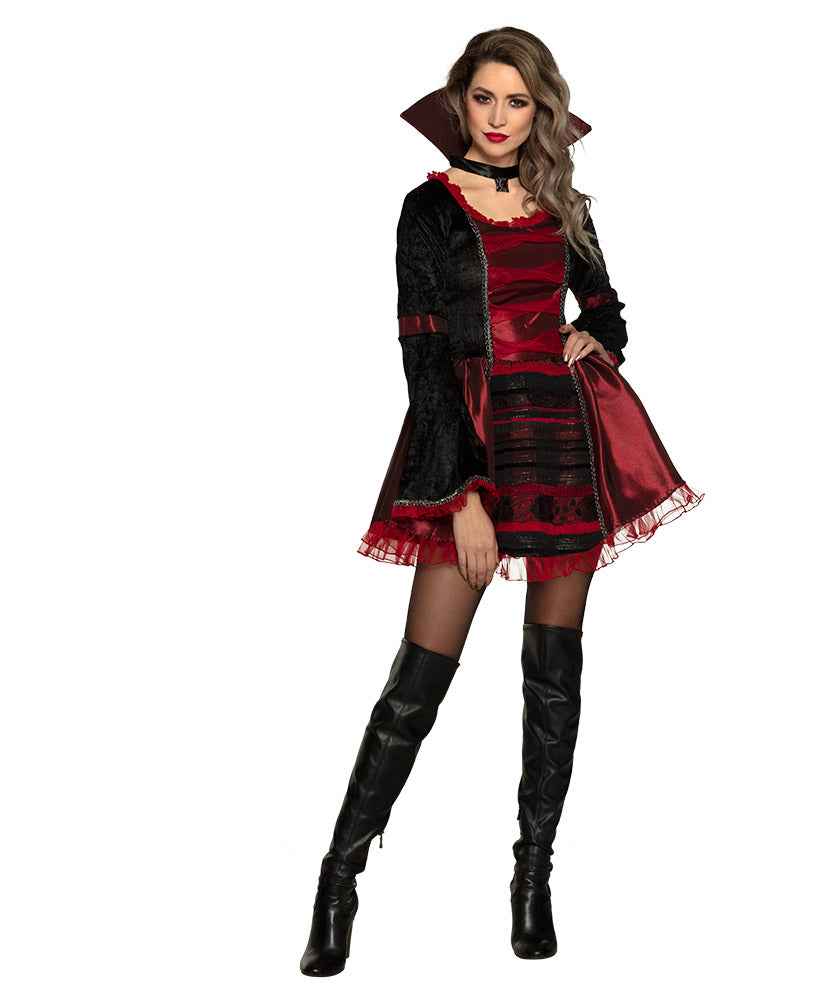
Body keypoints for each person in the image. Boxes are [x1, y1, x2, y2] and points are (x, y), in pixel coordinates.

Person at [300, 27, 705, 975]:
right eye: (483, 98)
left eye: (516, 102)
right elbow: (424, 361)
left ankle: (532, 879)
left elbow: (606, 306)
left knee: (553, 675)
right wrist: (462, 496)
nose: (498, 118)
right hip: (472, 438)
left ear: (539, 112)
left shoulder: (563, 203)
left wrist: (594, 336)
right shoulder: (427, 210)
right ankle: (338, 880)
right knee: (417, 683)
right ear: (460, 102)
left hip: (562, 440)